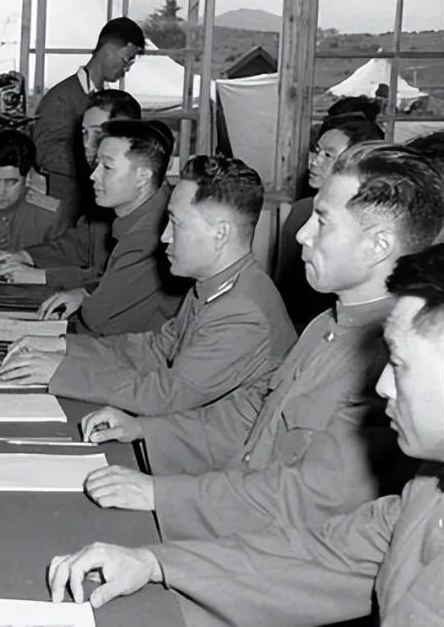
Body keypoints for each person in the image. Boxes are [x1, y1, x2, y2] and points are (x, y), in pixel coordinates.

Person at [46, 243, 444, 627]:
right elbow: (329, 552)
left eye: (400, 363)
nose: (383, 386)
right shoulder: (427, 490)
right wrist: (155, 563)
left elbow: (305, 506)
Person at [71, 144, 444, 542]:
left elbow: (305, 500)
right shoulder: (327, 323)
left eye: (322, 221)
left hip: (272, 544)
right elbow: (254, 419)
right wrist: (146, 430)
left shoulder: (393, 357)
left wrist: (162, 495)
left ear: (378, 245)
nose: (301, 234)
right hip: (235, 511)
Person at [2, 156, 295, 450]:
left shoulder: (242, 311)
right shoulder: (215, 285)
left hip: (225, 456)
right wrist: (64, 347)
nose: (164, 236)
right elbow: (155, 349)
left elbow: (168, 394)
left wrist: (64, 371)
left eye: (176, 224)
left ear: (220, 234)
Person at [0, 121, 182, 335]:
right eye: (97, 164)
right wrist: (84, 293)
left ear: (143, 176)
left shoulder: (147, 236)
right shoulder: (148, 215)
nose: (93, 175)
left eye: (107, 167)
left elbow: (96, 320)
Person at [0, 89, 143, 287]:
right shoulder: (107, 195)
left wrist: (42, 276)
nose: (87, 145)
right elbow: (78, 245)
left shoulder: (152, 214)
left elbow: (119, 282)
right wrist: (26, 256)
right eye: (84, 133)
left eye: (98, 133)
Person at [30, 17, 146, 221]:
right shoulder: (61, 97)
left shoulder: (107, 100)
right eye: (126, 60)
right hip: (66, 210)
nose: (126, 69)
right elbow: (44, 154)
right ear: (108, 50)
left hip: (95, 208)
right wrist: (100, 160)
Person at [274, 118, 384, 329]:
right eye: (317, 151)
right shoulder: (301, 211)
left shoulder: (365, 222)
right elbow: (286, 285)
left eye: (328, 155)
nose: (314, 162)